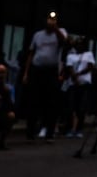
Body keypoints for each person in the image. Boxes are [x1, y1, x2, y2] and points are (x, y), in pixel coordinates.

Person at [21, 11, 67, 141]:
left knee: (51, 102)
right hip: (37, 70)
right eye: (49, 19)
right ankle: (30, 133)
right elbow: (31, 53)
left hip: (51, 70)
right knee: (33, 101)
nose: (50, 21)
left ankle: (49, 133)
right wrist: (26, 73)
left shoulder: (60, 32)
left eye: (53, 19)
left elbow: (64, 42)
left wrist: (55, 28)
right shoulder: (38, 35)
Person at [63, 35, 96, 138]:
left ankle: (78, 129)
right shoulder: (70, 56)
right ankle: (69, 128)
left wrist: (79, 74)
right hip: (73, 84)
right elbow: (69, 67)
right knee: (70, 106)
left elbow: (90, 67)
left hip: (84, 83)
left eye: (81, 44)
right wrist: (74, 77)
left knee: (81, 107)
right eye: (77, 44)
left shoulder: (88, 54)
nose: (79, 46)